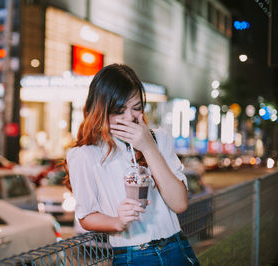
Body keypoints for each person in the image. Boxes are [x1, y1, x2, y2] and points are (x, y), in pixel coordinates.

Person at [64, 64, 199, 265]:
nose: (129, 118)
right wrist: (117, 222)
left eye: (136, 108)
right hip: (132, 255)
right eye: (119, 111)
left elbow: (179, 203)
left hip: (176, 247)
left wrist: (148, 147)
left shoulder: (159, 139)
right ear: (101, 110)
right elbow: (85, 216)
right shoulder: (85, 154)